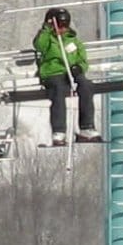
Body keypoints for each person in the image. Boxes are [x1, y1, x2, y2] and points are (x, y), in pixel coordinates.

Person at [33, 8, 99, 146]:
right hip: (53, 73)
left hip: (71, 73)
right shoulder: (48, 38)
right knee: (58, 90)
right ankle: (59, 131)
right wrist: (46, 28)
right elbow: (39, 46)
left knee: (86, 86)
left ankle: (86, 127)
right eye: (60, 25)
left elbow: (83, 60)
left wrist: (79, 68)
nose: (62, 29)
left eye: (65, 26)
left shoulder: (73, 40)